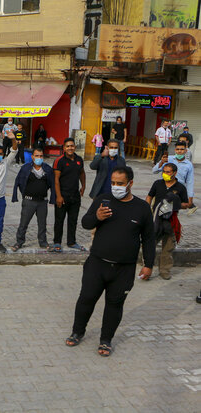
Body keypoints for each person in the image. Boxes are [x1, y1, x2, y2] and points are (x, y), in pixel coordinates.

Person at [66, 166, 155, 357]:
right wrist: (97, 217)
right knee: (86, 299)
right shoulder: (102, 201)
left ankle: (106, 340)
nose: (116, 187)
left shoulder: (142, 208)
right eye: (113, 183)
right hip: (97, 264)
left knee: (114, 305)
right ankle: (77, 332)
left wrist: (148, 265)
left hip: (124, 269)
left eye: (120, 183)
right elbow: (85, 222)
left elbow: (148, 239)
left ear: (130, 183)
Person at [146, 163, 189, 280]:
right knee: (150, 245)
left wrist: (176, 203)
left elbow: (186, 204)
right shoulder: (157, 183)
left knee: (168, 247)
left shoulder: (180, 187)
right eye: (164, 171)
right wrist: (146, 209)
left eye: (168, 172)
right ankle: (147, 268)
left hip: (171, 221)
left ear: (175, 173)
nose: (165, 174)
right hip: (156, 220)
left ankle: (164, 270)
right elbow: (149, 196)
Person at [11, 148, 55, 251]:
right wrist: (23, 195)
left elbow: (51, 184)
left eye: (41, 156)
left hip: (42, 202)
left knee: (42, 224)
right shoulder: (26, 168)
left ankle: (43, 242)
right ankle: (19, 242)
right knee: (23, 223)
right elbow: (19, 182)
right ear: (32, 157)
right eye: (37, 156)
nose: (39, 158)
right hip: (29, 201)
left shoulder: (47, 169)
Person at [53, 138, 86, 252]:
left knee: (73, 220)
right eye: (67, 146)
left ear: (75, 147)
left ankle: (71, 242)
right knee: (59, 220)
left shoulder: (79, 159)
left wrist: (83, 186)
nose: (70, 148)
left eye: (72, 146)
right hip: (63, 195)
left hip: (75, 196)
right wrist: (58, 196)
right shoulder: (59, 161)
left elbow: (82, 172)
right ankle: (57, 242)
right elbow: (56, 180)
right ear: (64, 148)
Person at [152, 141, 196, 215]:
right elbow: (154, 171)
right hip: (164, 188)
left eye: (182, 149)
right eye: (177, 149)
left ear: (186, 150)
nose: (179, 151)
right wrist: (161, 162)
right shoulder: (168, 159)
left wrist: (190, 198)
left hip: (176, 192)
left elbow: (190, 182)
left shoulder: (189, 165)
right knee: (157, 212)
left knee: (171, 214)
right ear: (175, 150)